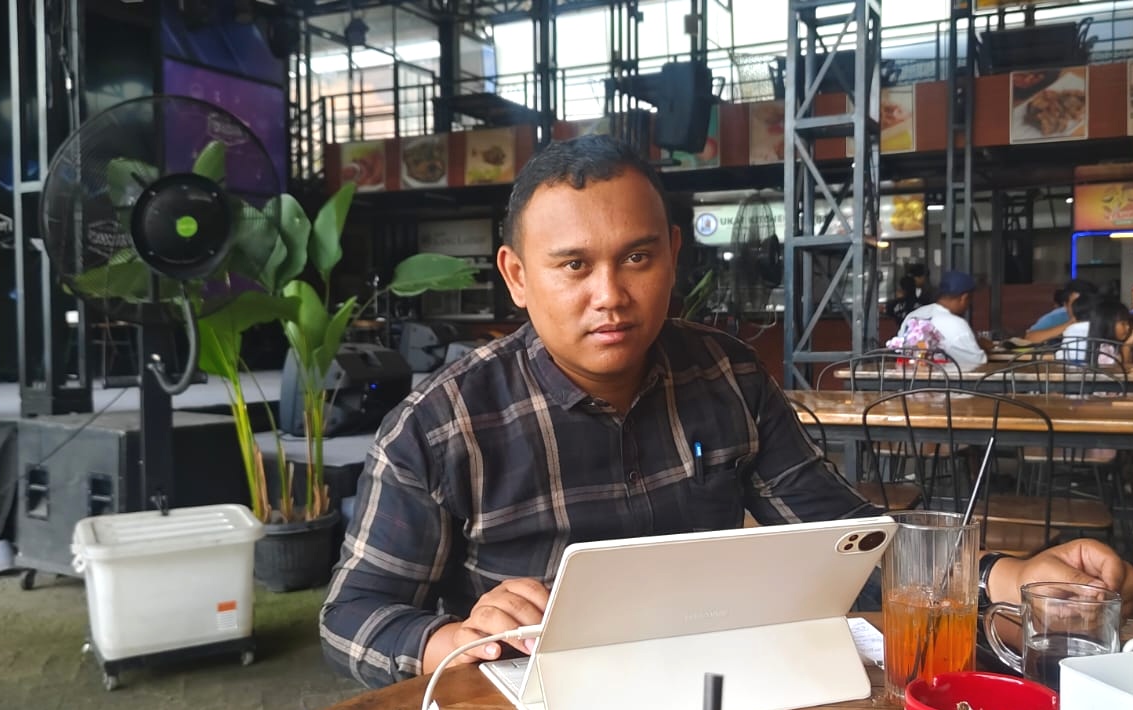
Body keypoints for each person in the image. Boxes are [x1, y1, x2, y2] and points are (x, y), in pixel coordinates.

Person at [319, 135, 1133, 688]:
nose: (610, 295)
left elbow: (837, 536)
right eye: (572, 266)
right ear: (516, 276)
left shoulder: (724, 375)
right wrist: (446, 638)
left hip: (718, 683)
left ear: (672, 254)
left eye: (637, 257)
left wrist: (1002, 576)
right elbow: (350, 615)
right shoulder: (441, 426)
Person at [894, 271, 991, 367]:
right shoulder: (957, 324)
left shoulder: (912, 316)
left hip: (904, 375)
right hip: (943, 377)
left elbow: (898, 350)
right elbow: (979, 363)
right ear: (964, 298)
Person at [1023, 279, 1097, 344]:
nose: (1081, 307)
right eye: (1075, 304)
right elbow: (1029, 338)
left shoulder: (1101, 314)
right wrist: (1069, 324)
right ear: (1065, 305)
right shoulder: (1056, 316)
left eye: (1085, 303)